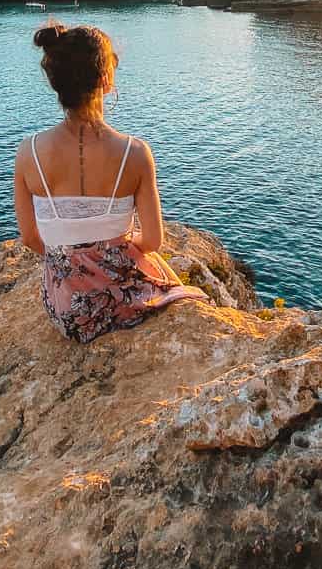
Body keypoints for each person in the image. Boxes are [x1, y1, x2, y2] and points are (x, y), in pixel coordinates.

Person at [14, 22, 207, 341]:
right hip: (123, 298)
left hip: (67, 311)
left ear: (57, 83)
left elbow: (30, 238)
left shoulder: (28, 152)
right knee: (177, 289)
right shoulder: (135, 152)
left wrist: (71, 260)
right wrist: (111, 253)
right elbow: (152, 242)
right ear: (105, 81)